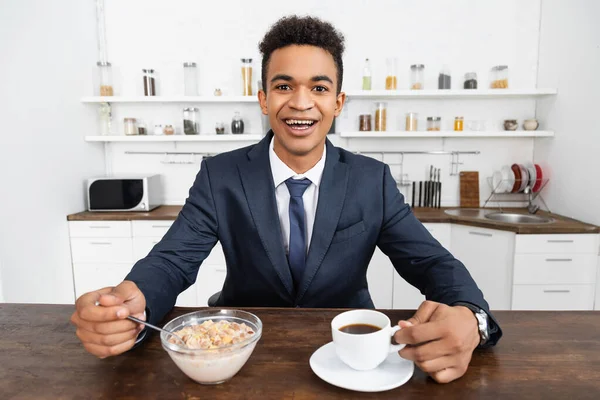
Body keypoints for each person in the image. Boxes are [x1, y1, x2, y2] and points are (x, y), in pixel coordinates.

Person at [71, 15, 502, 383]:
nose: (301, 103)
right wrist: (131, 302)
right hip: (239, 353)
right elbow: (172, 259)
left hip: (349, 350)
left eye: (318, 88)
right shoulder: (220, 176)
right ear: (263, 98)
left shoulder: (372, 180)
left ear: (338, 102)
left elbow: (430, 261)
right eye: (283, 86)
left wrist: (471, 317)